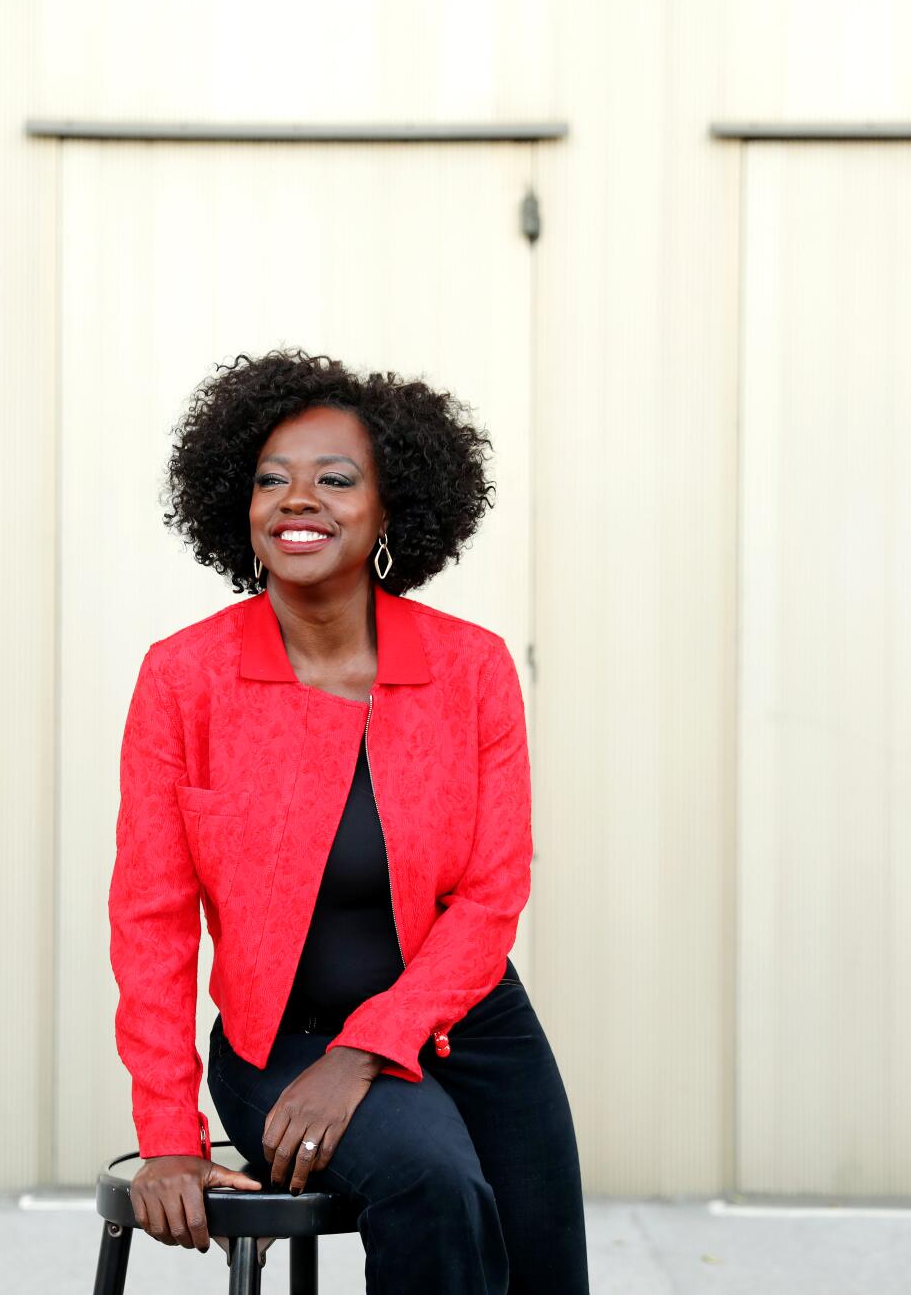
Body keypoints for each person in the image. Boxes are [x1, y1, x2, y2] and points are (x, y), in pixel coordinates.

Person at [108, 348, 588, 1293]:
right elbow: (151, 920)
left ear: (388, 511)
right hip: (279, 1038)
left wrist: (372, 1045)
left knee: (544, 1259)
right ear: (237, 510)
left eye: (335, 478)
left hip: (471, 1022)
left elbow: (493, 894)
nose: (299, 499)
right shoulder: (184, 678)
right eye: (270, 480)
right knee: (433, 1181)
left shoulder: (472, 667)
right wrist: (168, 1130)